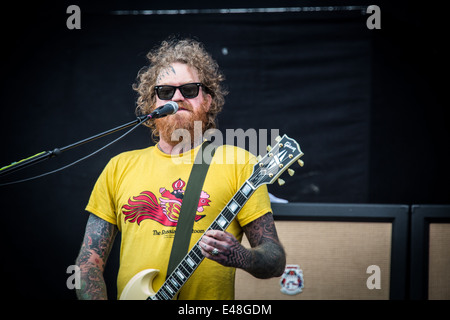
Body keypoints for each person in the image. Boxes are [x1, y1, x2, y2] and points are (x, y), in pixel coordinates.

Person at [75, 37, 286, 300]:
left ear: (208, 101)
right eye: (165, 91)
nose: (177, 97)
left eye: (189, 89)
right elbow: (88, 262)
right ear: (152, 104)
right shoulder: (119, 167)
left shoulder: (239, 163)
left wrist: (242, 256)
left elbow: (275, 260)